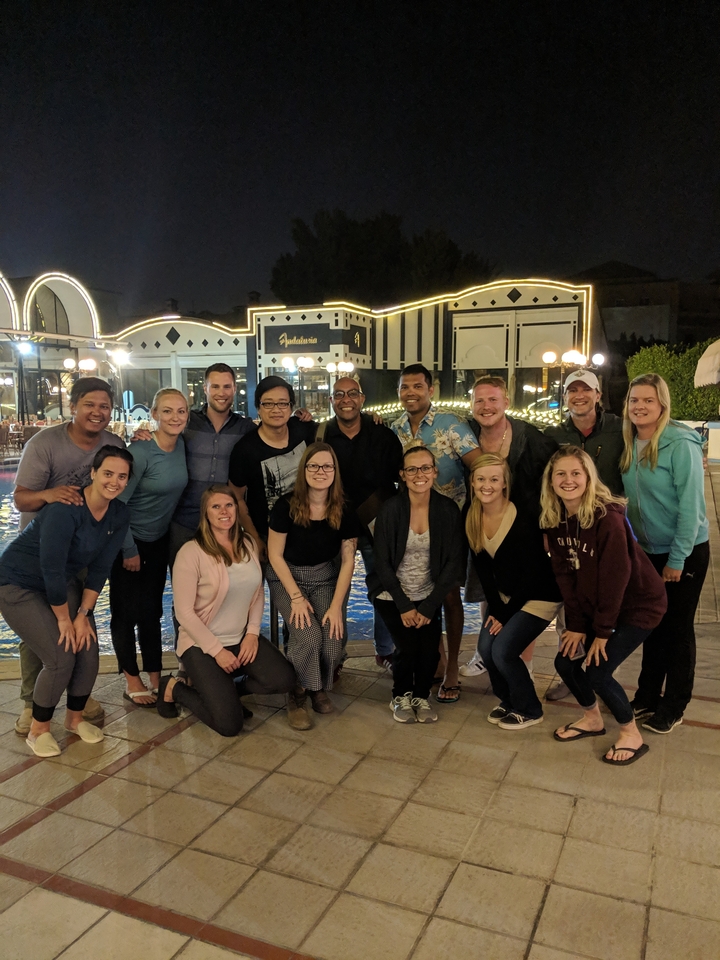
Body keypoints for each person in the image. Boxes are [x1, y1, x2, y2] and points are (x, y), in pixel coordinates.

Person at [0, 446, 133, 757]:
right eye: (108, 473)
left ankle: (74, 720)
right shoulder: (66, 509)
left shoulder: (119, 514)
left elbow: (100, 568)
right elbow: (51, 567)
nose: (114, 481)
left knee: (87, 649)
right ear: (93, 473)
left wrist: (83, 614)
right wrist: (64, 618)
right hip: (17, 583)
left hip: (63, 583)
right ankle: (39, 729)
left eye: (122, 476)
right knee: (61, 656)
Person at [12, 377, 125, 735]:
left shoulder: (113, 443)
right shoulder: (45, 443)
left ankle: (78, 694)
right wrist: (51, 495)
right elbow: (20, 499)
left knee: (81, 628)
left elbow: (119, 486)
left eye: (104, 406)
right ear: (73, 405)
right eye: (89, 404)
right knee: (41, 634)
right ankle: (32, 703)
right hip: (43, 554)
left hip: (83, 555)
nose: (97, 412)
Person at [540, 446, 668, 764]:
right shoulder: (555, 520)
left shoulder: (606, 518)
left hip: (639, 605)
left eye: (575, 473)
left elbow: (615, 578)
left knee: (598, 671)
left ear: (588, 478)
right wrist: (577, 625)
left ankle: (630, 734)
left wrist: (602, 631)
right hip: (600, 607)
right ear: (551, 481)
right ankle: (592, 719)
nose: (568, 480)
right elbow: (566, 576)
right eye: (561, 474)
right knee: (566, 663)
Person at [158, 486, 296, 734]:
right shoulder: (191, 553)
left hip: (240, 639)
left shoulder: (248, 544)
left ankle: (228, 692)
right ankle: (173, 688)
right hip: (202, 646)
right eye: (216, 506)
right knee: (229, 725)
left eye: (229, 505)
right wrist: (217, 651)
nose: (224, 511)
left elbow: (257, 592)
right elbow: (184, 613)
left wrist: (252, 633)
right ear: (206, 514)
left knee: (284, 680)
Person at [621, 373, 709, 734]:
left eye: (648, 401)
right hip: (646, 552)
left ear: (662, 405)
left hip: (682, 552)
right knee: (650, 627)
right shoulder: (630, 441)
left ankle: (674, 705)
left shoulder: (679, 443)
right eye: (634, 401)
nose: (639, 407)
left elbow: (692, 508)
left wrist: (677, 559)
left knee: (676, 629)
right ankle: (646, 697)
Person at [391, 363, 479, 702]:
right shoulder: (395, 427)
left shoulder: (450, 425)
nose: (410, 392)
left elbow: (479, 465)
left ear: (431, 389)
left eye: (417, 386)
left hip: (449, 527)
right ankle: (435, 659)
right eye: (404, 387)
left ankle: (453, 667)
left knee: (449, 596)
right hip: (412, 527)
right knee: (417, 593)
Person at [461, 375, 558, 678]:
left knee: (519, 596)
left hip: (522, 532)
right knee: (487, 589)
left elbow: (550, 486)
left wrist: (546, 530)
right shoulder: (465, 433)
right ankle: (484, 650)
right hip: (483, 525)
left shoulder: (532, 439)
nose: (486, 406)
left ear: (506, 402)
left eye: (492, 400)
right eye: (479, 400)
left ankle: (521, 663)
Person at [543, 369, 625, 701]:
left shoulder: (619, 430)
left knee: (607, 597)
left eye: (585, 390)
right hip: (568, 532)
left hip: (606, 531)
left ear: (598, 395)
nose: (579, 396)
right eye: (572, 391)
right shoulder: (552, 435)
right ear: (565, 397)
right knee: (571, 602)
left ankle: (603, 677)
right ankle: (574, 673)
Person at [368, 445, 465, 723]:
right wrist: (404, 606)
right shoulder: (391, 510)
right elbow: (382, 563)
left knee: (430, 650)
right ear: (402, 475)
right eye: (412, 469)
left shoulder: (447, 511)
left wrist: (429, 606)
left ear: (434, 472)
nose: (419, 474)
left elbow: (453, 563)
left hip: (428, 593)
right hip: (391, 593)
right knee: (408, 648)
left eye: (425, 468)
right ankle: (400, 695)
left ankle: (421, 697)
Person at [266, 442, 358, 728]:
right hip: (287, 576)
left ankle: (315, 684)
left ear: (335, 471)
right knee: (308, 637)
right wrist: (295, 597)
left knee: (331, 640)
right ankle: (298, 693)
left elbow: (347, 562)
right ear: (304, 469)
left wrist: (334, 608)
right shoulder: (286, 506)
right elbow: (274, 555)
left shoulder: (344, 509)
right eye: (314, 466)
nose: (320, 471)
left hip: (324, 577)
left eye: (327, 466)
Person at [467, 454, 561, 729]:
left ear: (505, 483)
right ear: (472, 482)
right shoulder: (471, 515)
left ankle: (530, 708)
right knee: (486, 648)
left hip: (539, 595)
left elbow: (533, 574)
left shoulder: (523, 513)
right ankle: (509, 700)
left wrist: (505, 614)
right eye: (481, 479)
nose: (488, 485)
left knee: (504, 650)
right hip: (508, 598)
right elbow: (483, 570)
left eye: (494, 479)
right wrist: (496, 609)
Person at [109, 389, 189, 706]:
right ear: (154, 414)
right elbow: (117, 506)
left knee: (151, 612)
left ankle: (156, 677)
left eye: (181, 411)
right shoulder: (140, 451)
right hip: (127, 541)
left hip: (158, 541)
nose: (174, 417)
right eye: (167, 411)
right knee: (125, 614)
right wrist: (128, 549)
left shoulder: (182, 445)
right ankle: (132, 679)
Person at [321, 376, 403, 668]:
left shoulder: (383, 434)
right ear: (331, 400)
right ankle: (335, 655)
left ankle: (386, 649)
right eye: (339, 394)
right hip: (334, 525)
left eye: (352, 393)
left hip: (376, 525)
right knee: (333, 592)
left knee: (384, 588)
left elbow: (400, 479)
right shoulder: (321, 435)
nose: (346, 399)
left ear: (362, 398)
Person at [167, 363, 256, 565]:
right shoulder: (187, 422)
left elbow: (273, 435)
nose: (221, 393)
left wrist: (302, 420)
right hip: (185, 521)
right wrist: (144, 435)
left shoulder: (245, 428)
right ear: (205, 389)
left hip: (224, 524)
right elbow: (162, 437)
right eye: (215, 387)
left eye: (226, 387)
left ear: (234, 388)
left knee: (222, 588)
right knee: (184, 588)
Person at [229, 376, 317, 560]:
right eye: (268, 404)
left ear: (291, 407)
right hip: (267, 536)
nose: (276, 410)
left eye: (283, 404)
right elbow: (237, 498)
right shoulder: (245, 449)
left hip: (308, 530)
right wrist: (255, 539)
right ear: (258, 408)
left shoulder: (304, 430)